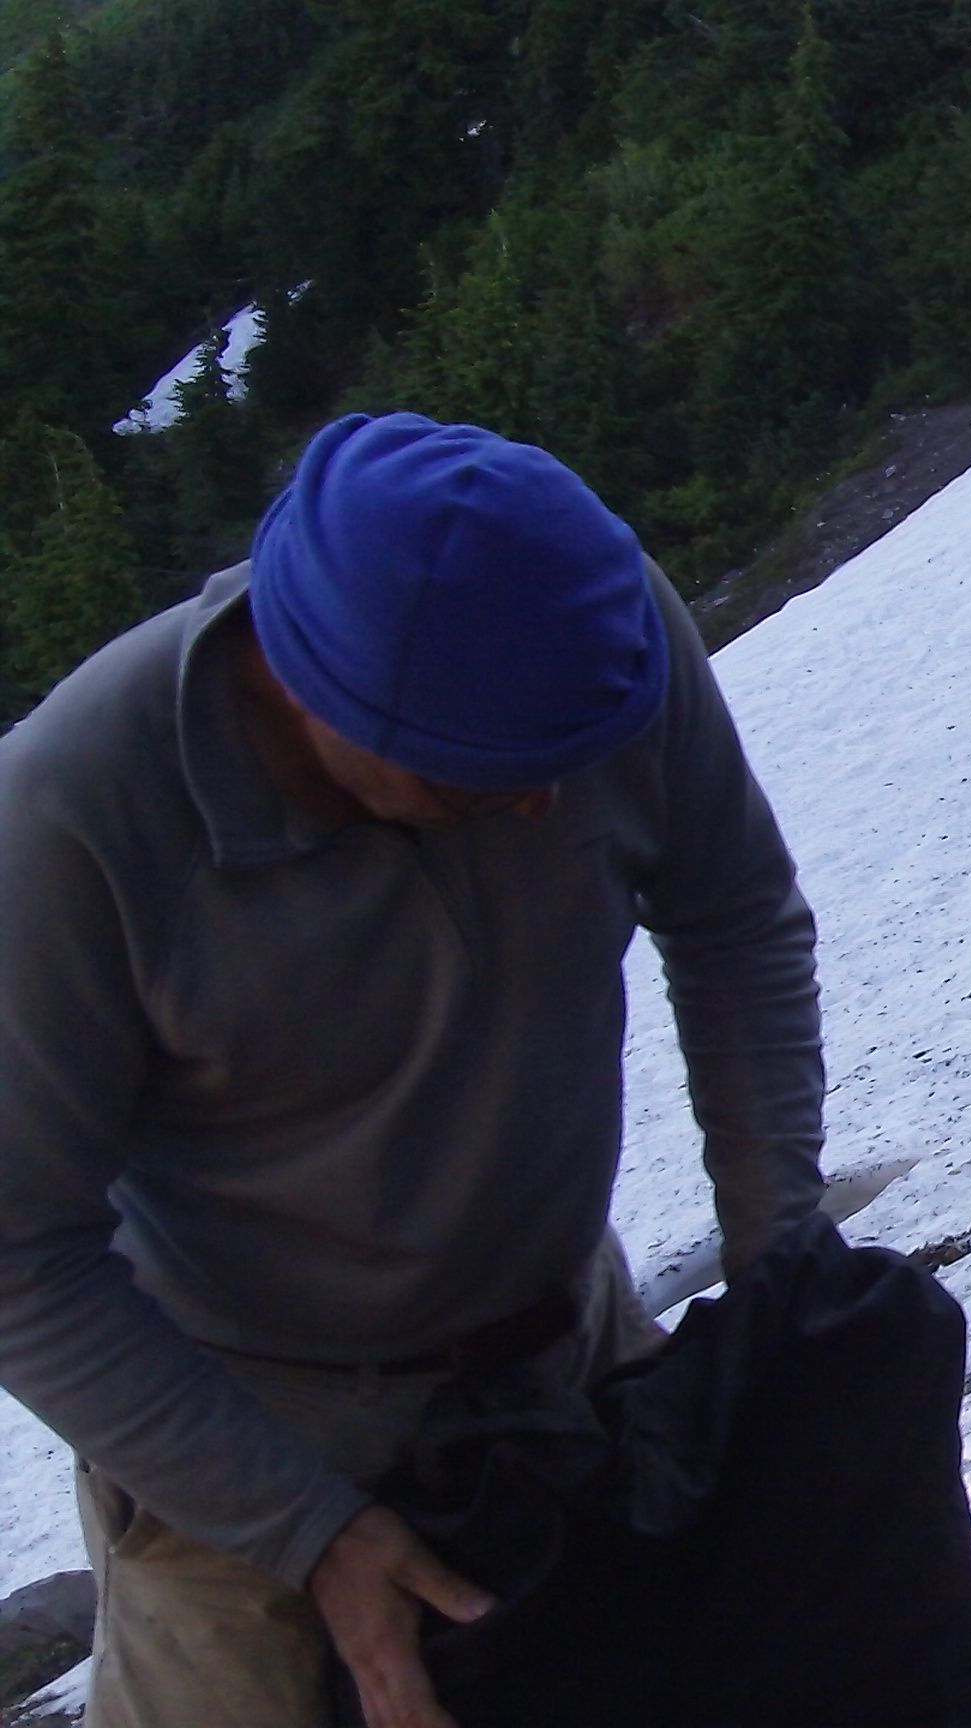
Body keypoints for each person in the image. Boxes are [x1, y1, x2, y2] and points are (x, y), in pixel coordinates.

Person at [0, 413, 828, 1728]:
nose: (542, 805)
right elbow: (18, 1257)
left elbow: (734, 919)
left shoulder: (589, 642)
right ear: (312, 691)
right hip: (246, 1447)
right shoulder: (69, 820)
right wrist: (308, 1531)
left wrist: (781, 1267)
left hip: (570, 1348)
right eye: (482, 776)